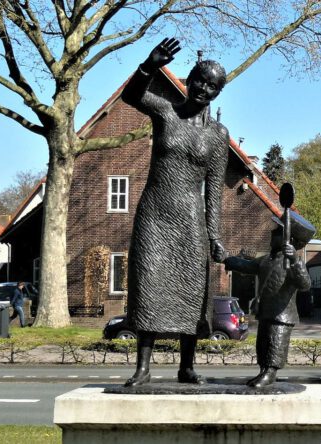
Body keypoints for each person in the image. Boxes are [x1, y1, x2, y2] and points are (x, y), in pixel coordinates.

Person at [120, 38, 229, 387]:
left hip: (190, 219)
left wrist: (214, 235)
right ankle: (143, 367)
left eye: (212, 86)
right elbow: (132, 96)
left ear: (217, 93)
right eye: (199, 80)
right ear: (187, 80)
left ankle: (187, 365)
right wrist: (149, 66)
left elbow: (214, 189)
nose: (204, 89)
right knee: (148, 283)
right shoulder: (166, 112)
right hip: (155, 214)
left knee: (193, 290)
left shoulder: (217, 135)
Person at [224, 212, 315, 387]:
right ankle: (263, 370)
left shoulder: (292, 263)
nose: (272, 233)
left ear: (289, 240)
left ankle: (270, 372)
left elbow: (305, 284)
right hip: (265, 311)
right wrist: (227, 258)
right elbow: (248, 265)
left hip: (282, 315)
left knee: (275, 342)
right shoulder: (267, 259)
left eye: (278, 231)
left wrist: (295, 260)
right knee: (263, 344)